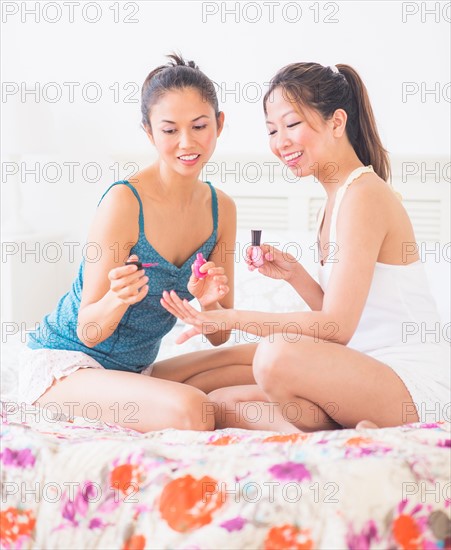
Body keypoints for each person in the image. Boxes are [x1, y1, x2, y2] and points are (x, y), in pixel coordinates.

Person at [161, 62, 450, 433]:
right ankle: (347, 430)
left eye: (292, 124)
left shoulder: (364, 195)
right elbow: (346, 318)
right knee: (218, 401)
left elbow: (336, 327)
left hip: (412, 386)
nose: (281, 142)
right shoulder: (334, 200)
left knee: (275, 355)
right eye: (272, 130)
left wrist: (230, 318)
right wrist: (295, 275)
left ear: (337, 122)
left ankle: (363, 427)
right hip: (360, 369)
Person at [19, 54, 256, 433]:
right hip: (70, 366)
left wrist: (209, 300)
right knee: (193, 410)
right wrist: (117, 298)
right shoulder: (124, 203)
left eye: (199, 126)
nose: (187, 143)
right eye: (169, 130)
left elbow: (219, 335)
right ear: (149, 132)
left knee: (262, 359)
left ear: (219, 123)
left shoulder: (221, 209)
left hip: (135, 371)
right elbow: (89, 331)